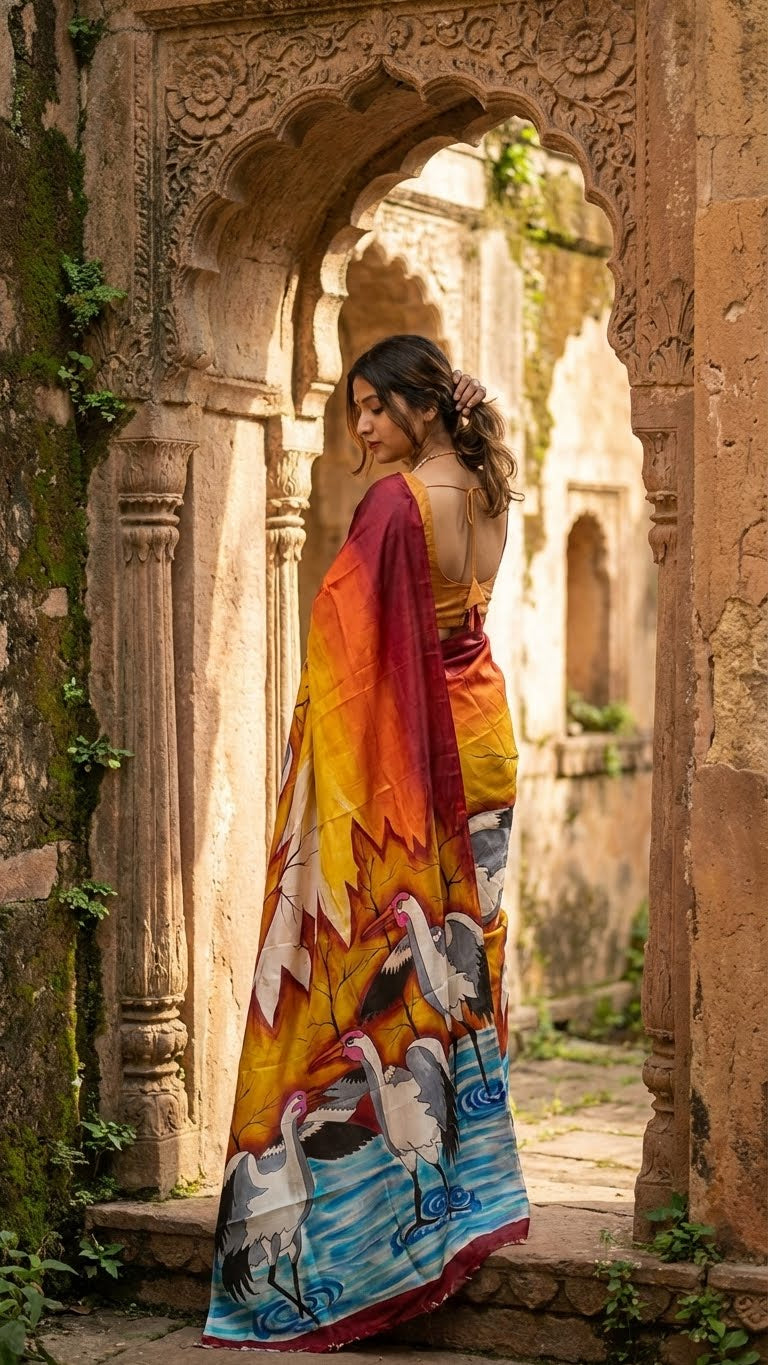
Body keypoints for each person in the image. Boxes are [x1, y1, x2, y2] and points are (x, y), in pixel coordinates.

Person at [202, 335, 529, 1353]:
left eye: (376, 408)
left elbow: (346, 657)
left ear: (420, 405)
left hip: (409, 772)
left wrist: (325, 782)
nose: (364, 429)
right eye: (355, 413)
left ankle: (375, 1243)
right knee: (461, 976)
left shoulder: (395, 505)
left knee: (379, 981)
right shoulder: (488, 490)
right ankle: (461, 1201)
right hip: (482, 740)